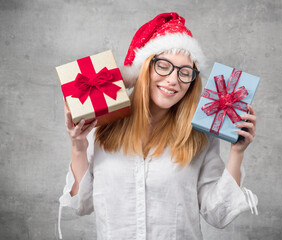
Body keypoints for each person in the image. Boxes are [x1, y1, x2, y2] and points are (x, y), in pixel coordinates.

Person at [58, 12, 258, 240]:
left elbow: (218, 215)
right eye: (163, 66)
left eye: (185, 72)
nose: (174, 80)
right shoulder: (103, 124)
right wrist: (78, 146)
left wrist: (237, 152)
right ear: (144, 69)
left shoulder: (200, 136)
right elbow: (80, 205)